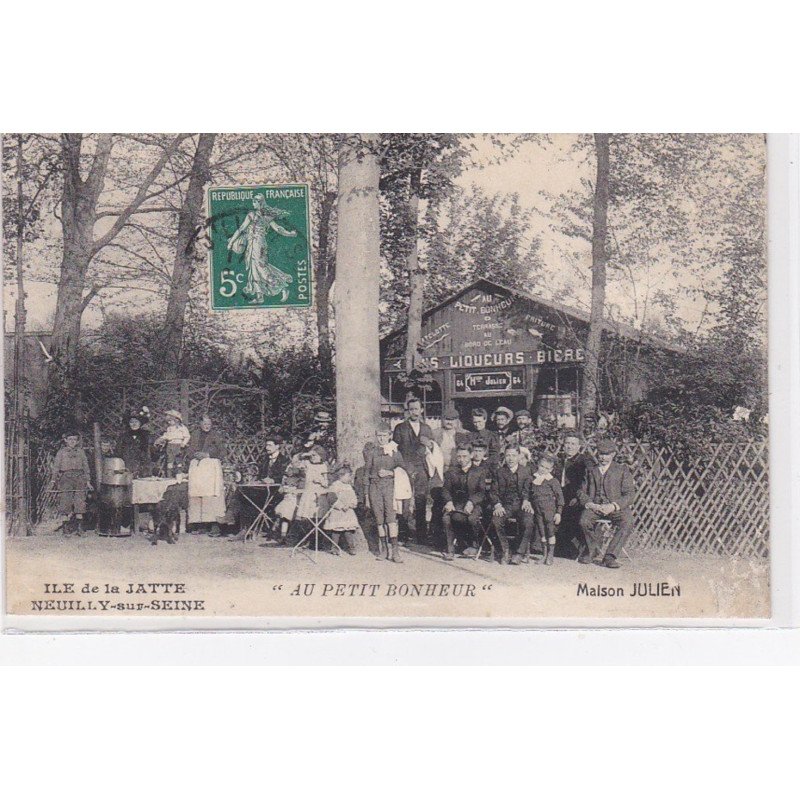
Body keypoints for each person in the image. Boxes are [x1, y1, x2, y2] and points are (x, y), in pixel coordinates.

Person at [226, 193, 297, 303]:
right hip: (252, 244)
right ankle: (259, 297)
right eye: (253, 201)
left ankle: (282, 288)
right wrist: (231, 242)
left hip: (258, 244)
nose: (253, 203)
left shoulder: (261, 216)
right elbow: (241, 229)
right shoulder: (254, 215)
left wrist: (289, 234)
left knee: (261, 268)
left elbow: (277, 228)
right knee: (253, 268)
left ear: (260, 203)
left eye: (255, 201)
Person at [578, 439, 635, 569]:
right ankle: (593, 550)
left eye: (607, 454)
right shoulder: (590, 470)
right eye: (601, 454)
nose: (603, 457)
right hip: (595, 507)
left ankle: (610, 556)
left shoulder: (621, 470)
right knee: (583, 521)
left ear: (613, 454)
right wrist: (591, 504)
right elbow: (581, 492)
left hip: (614, 507)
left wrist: (613, 506)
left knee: (628, 521)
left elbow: (630, 494)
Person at [392, 397, 434, 544]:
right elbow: (395, 450)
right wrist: (405, 467)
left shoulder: (427, 428)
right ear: (408, 411)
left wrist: (428, 444)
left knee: (421, 500)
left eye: (417, 409)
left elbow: (432, 449)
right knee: (404, 501)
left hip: (422, 469)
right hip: (405, 469)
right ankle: (404, 534)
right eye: (411, 409)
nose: (414, 412)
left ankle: (421, 535)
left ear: (421, 410)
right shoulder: (400, 428)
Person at [441, 446, 490, 561]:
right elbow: (445, 490)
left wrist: (472, 502)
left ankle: (474, 545)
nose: (461, 459)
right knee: (446, 518)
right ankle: (450, 550)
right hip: (457, 504)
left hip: (475, 504)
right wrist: (448, 501)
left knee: (472, 519)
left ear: (471, 455)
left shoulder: (479, 472)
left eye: (464, 456)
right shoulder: (451, 472)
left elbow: (482, 492)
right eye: (459, 456)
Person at [516, 452, 564, 566]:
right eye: (542, 466)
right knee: (542, 532)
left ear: (551, 469)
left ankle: (550, 555)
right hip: (537, 511)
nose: (543, 469)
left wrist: (559, 513)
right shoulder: (532, 478)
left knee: (550, 532)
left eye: (547, 468)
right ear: (538, 464)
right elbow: (526, 492)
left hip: (549, 511)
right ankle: (544, 554)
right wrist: (526, 502)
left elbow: (560, 498)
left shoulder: (553, 481)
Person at [366, 423, 405, 563]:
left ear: (389, 435)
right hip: (375, 488)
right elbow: (367, 472)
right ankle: (384, 549)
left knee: (391, 519)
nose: (381, 439)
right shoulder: (372, 452)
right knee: (379, 519)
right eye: (379, 436)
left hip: (390, 488)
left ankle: (395, 551)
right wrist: (366, 494)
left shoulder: (395, 452)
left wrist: (390, 472)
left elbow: (403, 469)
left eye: (384, 436)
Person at [489, 445, 534, 564]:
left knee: (528, 521)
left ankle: (519, 553)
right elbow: (493, 491)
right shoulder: (499, 472)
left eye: (513, 455)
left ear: (519, 456)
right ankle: (505, 550)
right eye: (508, 455)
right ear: (504, 456)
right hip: (505, 505)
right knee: (496, 520)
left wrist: (526, 500)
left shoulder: (526, 471)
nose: (511, 458)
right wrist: (497, 504)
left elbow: (529, 489)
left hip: (521, 504)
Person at [186, 415, 226, 536]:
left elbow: (222, 451)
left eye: (209, 423)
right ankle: (199, 524)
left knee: (212, 495)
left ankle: (214, 524)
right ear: (200, 424)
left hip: (211, 468)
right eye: (204, 423)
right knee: (197, 495)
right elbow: (189, 450)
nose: (207, 426)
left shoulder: (216, 435)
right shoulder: (195, 435)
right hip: (197, 468)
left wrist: (208, 454)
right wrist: (195, 454)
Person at [556, 432, 594, 558]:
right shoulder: (560, 459)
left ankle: (575, 548)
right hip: (560, 496)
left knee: (572, 513)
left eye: (573, 444)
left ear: (579, 446)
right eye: (567, 443)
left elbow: (586, 483)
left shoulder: (583, 461)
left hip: (575, 498)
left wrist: (577, 498)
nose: (569, 447)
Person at [52, 431, 92, 537]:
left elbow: (86, 467)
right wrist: (53, 480)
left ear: (77, 441)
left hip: (79, 478)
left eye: (74, 440)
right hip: (66, 478)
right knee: (65, 501)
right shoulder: (61, 452)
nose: (72, 442)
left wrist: (87, 481)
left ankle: (80, 529)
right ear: (65, 440)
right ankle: (66, 529)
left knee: (80, 502)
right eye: (70, 439)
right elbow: (56, 467)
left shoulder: (81, 452)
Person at [323, 463, 359, 555]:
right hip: (338, 512)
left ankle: (351, 548)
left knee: (348, 530)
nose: (349, 478)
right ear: (341, 476)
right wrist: (341, 506)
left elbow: (353, 497)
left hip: (348, 512)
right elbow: (331, 498)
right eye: (348, 476)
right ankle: (334, 548)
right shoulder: (335, 486)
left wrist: (351, 504)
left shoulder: (349, 487)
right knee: (336, 531)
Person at [295, 445, 329, 520]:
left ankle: (317, 528)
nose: (312, 457)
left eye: (315, 455)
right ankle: (307, 528)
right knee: (305, 512)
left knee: (316, 513)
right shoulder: (308, 464)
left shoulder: (323, 466)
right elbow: (296, 462)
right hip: (308, 492)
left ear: (321, 456)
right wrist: (306, 454)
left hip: (317, 493)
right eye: (311, 455)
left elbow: (326, 483)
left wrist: (320, 481)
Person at [154, 410, 190, 476]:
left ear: (177, 420)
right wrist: (161, 439)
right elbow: (167, 435)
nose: (169, 422)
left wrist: (184, 443)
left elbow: (187, 436)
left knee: (178, 459)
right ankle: (169, 474)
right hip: (170, 445)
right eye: (168, 421)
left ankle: (179, 473)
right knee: (170, 459)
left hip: (178, 445)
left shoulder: (182, 428)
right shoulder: (169, 428)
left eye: (171, 420)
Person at [118, 409, 152, 478]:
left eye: (136, 422)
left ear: (140, 423)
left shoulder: (145, 436)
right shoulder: (123, 437)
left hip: (142, 468)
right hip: (127, 467)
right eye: (131, 422)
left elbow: (149, 454)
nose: (134, 424)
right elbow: (119, 451)